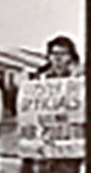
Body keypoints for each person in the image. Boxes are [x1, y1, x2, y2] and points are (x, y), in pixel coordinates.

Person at [20, 35, 83, 173]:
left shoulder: (79, 81)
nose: (58, 58)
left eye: (63, 54)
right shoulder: (39, 81)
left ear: (71, 57)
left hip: (68, 151)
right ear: (48, 57)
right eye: (54, 54)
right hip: (42, 149)